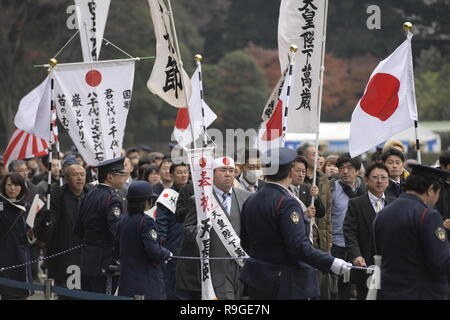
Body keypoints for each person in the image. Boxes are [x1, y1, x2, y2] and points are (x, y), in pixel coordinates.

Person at [239, 147, 352, 300]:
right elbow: (298, 246)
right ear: (290, 172)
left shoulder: (251, 199)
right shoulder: (287, 202)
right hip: (286, 281)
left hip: (258, 279)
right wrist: (330, 262)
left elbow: (245, 241)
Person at [176, 156, 251, 300]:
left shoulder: (245, 197)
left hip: (240, 265)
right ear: (211, 173)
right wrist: (203, 231)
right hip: (214, 266)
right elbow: (188, 230)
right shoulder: (199, 200)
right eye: (222, 170)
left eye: (231, 170)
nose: (228, 174)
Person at [374, 164, 450, 300]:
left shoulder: (383, 214)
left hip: (390, 292)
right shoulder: (428, 215)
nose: (437, 199)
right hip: (423, 293)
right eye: (438, 193)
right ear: (431, 190)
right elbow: (441, 263)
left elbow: (378, 254)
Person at [34, 161, 90, 294]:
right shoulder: (57, 198)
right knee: (68, 293)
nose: (80, 178)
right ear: (66, 178)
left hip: (87, 255)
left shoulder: (90, 196)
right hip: (64, 254)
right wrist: (45, 221)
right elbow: (44, 232)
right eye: (75, 175)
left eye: (82, 174)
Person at [74, 157, 127, 294]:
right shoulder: (112, 198)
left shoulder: (90, 194)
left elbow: (78, 229)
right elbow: (117, 231)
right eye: (121, 175)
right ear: (110, 177)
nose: (124, 178)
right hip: (106, 262)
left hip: (87, 258)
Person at [343, 162, 395, 300]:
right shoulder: (356, 204)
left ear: (388, 181)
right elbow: (350, 232)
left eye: (383, 177)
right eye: (375, 177)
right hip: (366, 262)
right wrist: (356, 255)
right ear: (366, 180)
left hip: (391, 264)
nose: (379, 181)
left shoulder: (395, 203)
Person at [117, 181, 171, 299]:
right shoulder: (146, 222)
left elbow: (117, 248)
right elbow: (153, 250)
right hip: (146, 281)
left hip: (127, 280)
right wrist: (167, 253)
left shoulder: (122, 220)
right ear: (146, 202)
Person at [330, 153, 366, 300]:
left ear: (358, 171)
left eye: (350, 168)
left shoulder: (365, 188)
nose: (345, 172)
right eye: (342, 168)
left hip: (360, 244)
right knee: (340, 286)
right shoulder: (332, 189)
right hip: (338, 243)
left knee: (362, 283)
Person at [156, 162, 189, 299]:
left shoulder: (194, 192)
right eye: (179, 172)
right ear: (172, 175)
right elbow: (161, 222)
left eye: (185, 172)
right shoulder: (167, 196)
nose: (183, 175)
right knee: (172, 279)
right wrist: (162, 242)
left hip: (191, 243)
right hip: (173, 243)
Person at [0, 173, 33, 300]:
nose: (12, 188)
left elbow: (32, 238)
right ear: (4, 186)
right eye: (9, 185)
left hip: (20, 258)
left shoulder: (27, 207)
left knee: (18, 294)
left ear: (22, 187)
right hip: (2, 255)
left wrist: (43, 225)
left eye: (16, 185)